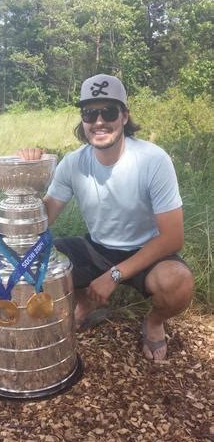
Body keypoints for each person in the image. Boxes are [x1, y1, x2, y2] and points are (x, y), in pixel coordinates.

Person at [18, 74, 194, 361]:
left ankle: (153, 322)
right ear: (83, 120)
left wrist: (114, 275)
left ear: (124, 116)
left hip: (145, 251)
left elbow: (173, 237)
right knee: (38, 259)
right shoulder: (73, 163)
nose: (99, 121)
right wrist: (28, 180)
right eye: (90, 113)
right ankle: (86, 303)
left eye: (108, 111)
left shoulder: (152, 159)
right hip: (96, 247)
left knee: (179, 282)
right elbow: (42, 220)